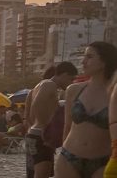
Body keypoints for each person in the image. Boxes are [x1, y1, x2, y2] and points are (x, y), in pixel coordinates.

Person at [55, 41, 116, 178]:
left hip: (103, 161)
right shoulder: (74, 90)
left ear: (104, 61)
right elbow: (67, 126)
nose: (83, 62)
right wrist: (63, 153)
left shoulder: (114, 93)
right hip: (69, 158)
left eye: (89, 57)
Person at [25, 61, 78, 178]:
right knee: (42, 174)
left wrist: (34, 125)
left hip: (33, 134)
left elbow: (28, 113)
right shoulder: (50, 85)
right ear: (64, 75)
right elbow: (37, 105)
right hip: (41, 136)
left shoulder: (37, 87)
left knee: (34, 173)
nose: (71, 82)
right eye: (71, 79)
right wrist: (45, 127)